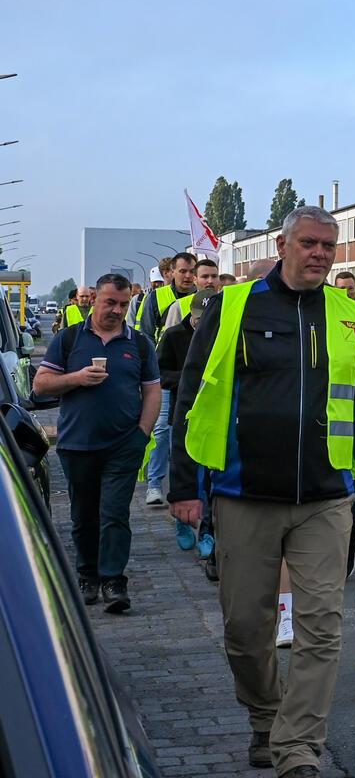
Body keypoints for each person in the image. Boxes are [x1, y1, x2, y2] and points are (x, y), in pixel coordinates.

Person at [168, 206, 355, 778]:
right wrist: (186, 485)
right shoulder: (233, 307)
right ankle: (265, 714)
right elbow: (194, 393)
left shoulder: (349, 317)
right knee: (245, 628)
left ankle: (299, 751)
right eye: (310, 243)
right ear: (284, 244)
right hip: (244, 493)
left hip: (326, 497)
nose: (320, 254)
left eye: (329, 245)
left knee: (322, 626)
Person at [33, 273, 161, 614]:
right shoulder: (70, 339)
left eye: (123, 304)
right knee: (83, 514)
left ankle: (114, 580)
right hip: (77, 443)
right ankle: (87, 574)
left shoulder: (139, 343)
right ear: (92, 301)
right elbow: (41, 385)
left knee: (115, 513)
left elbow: (152, 391)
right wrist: (76, 378)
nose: (117, 310)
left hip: (124, 443)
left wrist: (142, 434)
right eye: (110, 303)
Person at [158, 291, 219, 562]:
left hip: (213, 416)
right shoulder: (173, 336)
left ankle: (207, 530)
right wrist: (189, 377)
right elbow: (159, 374)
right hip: (182, 414)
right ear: (190, 315)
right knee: (183, 469)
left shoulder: (222, 333)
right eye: (197, 320)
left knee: (209, 478)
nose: (201, 325)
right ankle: (181, 518)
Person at [139, 252, 202, 510]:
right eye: (183, 271)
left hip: (195, 374)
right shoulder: (155, 298)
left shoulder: (205, 299)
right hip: (162, 373)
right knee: (163, 430)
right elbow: (143, 334)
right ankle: (154, 483)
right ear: (170, 273)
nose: (187, 276)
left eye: (191, 271)